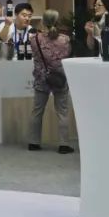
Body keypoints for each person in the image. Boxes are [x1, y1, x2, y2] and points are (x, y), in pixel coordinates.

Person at [29, 9, 73, 154]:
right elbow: (67, 55)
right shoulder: (65, 40)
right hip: (59, 78)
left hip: (42, 78)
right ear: (57, 21)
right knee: (62, 112)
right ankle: (64, 144)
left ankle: (34, 142)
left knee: (37, 111)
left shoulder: (34, 39)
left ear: (43, 21)